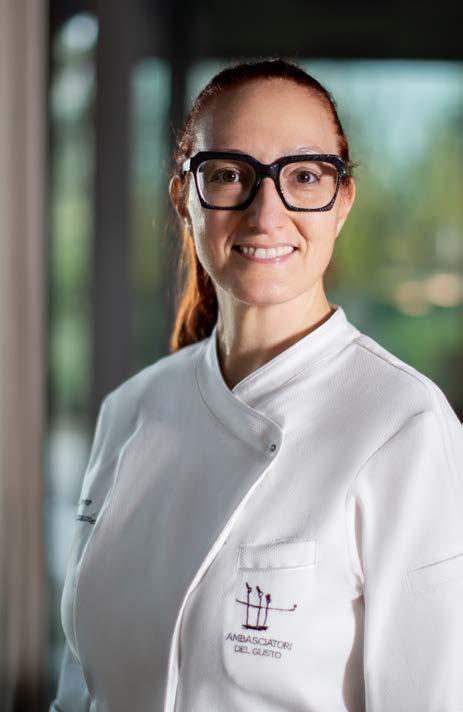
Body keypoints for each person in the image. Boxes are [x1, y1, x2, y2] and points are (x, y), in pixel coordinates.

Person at [50, 58, 463, 712]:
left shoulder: (405, 427)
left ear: (342, 203)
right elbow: (80, 687)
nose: (265, 213)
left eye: (304, 176)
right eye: (228, 174)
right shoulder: (130, 410)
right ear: (184, 197)